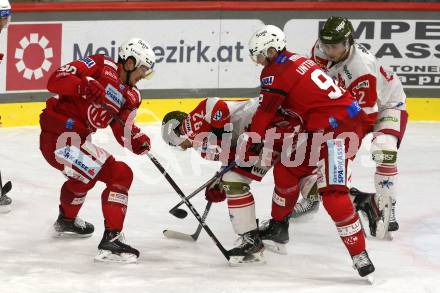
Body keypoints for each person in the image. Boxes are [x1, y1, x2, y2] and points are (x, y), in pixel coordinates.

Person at [246, 24, 374, 277]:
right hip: (331, 126)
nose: (259, 61)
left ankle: (359, 254)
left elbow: (266, 111)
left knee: (333, 195)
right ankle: (278, 228)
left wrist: (252, 140)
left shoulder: (274, 72)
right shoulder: (296, 60)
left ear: (272, 51)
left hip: (337, 133)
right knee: (287, 169)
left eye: (260, 55)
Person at [39, 38, 155, 263]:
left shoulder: (132, 96)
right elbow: (55, 80)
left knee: (87, 176)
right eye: (143, 69)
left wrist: (136, 139)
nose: (144, 76)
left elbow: (122, 128)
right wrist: (81, 85)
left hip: (77, 142)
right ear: (129, 62)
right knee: (119, 173)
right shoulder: (100, 65)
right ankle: (112, 240)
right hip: (60, 138)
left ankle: (66, 221)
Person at [161, 97, 317, 261]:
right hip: (271, 135)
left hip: (272, 119)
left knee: (287, 169)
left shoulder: (191, 125)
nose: (183, 148)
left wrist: (222, 136)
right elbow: (232, 159)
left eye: (175, 143)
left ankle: (254, 242)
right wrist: (219, 182)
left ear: (175, 132)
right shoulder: (203, 149)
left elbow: (217, 106)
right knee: (234, 178)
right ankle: (263, 235)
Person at [299, 16, 407, 238]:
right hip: (350, 106)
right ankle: (311, 198)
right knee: (310, 146)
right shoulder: (320, 49)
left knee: (384, 150)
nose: (329, 51)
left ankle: (386, 206)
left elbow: (366, 117)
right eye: (326, 45)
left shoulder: (361, 69)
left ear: (348, 42)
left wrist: (338, 136)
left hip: (385, 106)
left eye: (335, 46)